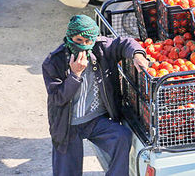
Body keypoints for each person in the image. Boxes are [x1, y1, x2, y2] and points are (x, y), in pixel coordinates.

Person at [42, 14, 148, 176]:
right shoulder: (53, 62)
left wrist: (137, 54)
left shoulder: (101, 47)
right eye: (78, 41)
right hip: (68, 125)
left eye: (88, 41)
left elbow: (125, 43)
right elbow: (58, 98)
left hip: (95, 120)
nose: (84, 46)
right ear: (69, 38)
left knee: (121, 137)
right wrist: (75, 75)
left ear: (94, 39)